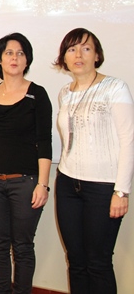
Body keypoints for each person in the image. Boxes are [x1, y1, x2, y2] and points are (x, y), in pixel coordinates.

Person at [53, 28, 134, 294]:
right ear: (64, 57)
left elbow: (129, 140)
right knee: (76, 262)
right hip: (67, 184)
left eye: (86, 48)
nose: (78, 54)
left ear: (97, 55)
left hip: (103, 188)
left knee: (98, 263)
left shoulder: (115, 88)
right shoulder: (65, 93)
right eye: (72, 49)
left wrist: (121, 191)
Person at [0, 32, 52, 294]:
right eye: (9, 52)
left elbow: (44, 141)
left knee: (22, 246)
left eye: (20, 53)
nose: (14, 58)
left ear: (27, 60)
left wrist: (43, 184)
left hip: (26, 183)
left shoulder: (37, 94)